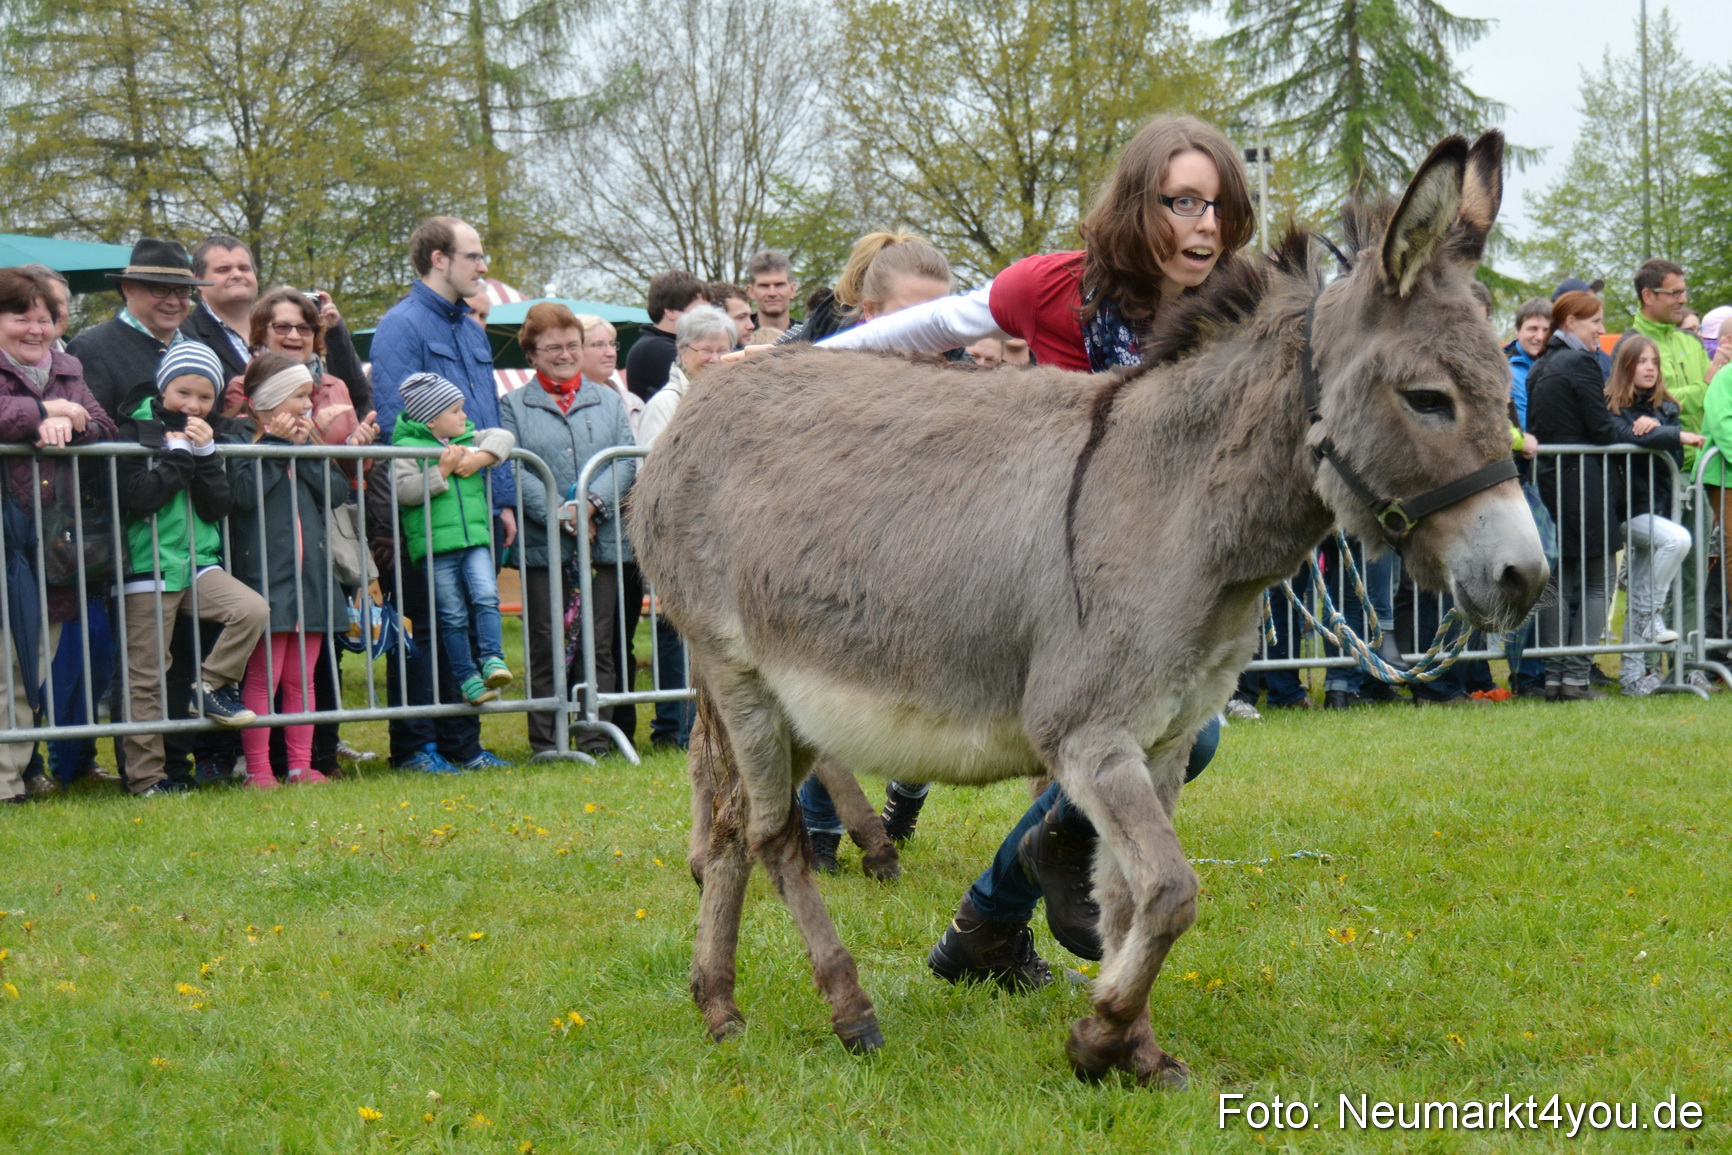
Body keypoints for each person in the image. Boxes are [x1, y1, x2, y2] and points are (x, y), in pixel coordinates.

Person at [819, 114, 1249, 987]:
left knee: (1186, 737)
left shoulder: (1240, 303)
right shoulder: (1052, 287)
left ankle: (990, 916)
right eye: (1184, 203)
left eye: (1220, 206)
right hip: (1045, 557)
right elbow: (923, 327)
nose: (1206, 225)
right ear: (1138, 204)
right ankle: (1002, 905)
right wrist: (787, 371)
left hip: (1160, 568)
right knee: (1139, 738)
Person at [367, 216, 516, 774]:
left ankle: (463, 744)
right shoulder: (400, 326)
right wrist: (445, 472)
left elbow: (487, 417)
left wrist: (501, 498)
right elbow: (396, 425)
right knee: (427, 625)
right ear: (438, 258)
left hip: (475, 504)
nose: (483, 266)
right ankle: (416, 746)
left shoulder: (471, 328)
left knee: (469, 624)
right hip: (423, 507)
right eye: (474, 256)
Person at [114, 343, 269, 795]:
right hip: (148, 566)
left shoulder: (206, 436)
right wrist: (179, 456)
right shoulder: (134, 429)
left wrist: (204, 456)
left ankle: (211, 685)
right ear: (163, 388)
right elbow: (140, 498)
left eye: (205, 397)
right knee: (147, 676)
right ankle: (147, 778)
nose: (194, 406)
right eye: (184, 393)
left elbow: (218, 506)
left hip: (199, 562)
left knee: (251, 609)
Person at [0, 267, 117, 802]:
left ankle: (11, 778)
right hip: (6, 534)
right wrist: (44, 411)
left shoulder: (68, 368)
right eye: (19, 316)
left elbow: (104, 425)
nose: (35, 329)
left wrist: (74, 420)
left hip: (49, 542)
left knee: (30, 666)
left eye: (43, 318)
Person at [501, 303, 637, 758]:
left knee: (600, 644)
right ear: (531, 354)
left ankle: (596, 736)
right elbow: (515, 469)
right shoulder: (513, 407)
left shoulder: (609, 400)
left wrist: (592, 506)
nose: (565, 355)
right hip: (545, 545)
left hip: (604, 542)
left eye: (572, 345)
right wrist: (560, 514)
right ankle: (548, 738)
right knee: (546, 641)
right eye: (553, 348)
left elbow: (625, 459)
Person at [226, 353, 350, 788]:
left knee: (302, 679)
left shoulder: (305, 441)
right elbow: (243, 495)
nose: (307, 405)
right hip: (265, 579)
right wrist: (274, 448)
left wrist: (304, 449)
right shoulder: (239, 441)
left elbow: (336, 491)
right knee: (264, 677)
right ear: (270, 400)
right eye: (299, 396)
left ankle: (301, 766)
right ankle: (258, 769)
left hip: (310, 580)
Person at [638, 306, 739, 750]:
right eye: (706, 350)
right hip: (680, 537)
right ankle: (675, 727)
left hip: (724, 538)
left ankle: (714, 723)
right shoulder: (666, 403)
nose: (715, 359)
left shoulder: (733, 399)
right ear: (682, 351)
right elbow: (650, 473)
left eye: (723, 349)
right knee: (677, 630)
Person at [392, 373, 516, 707]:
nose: (464, 416)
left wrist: (480, 458)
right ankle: (467, 678)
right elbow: (404, 491)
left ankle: (492, 659)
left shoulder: (469, 438)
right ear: (431, 419)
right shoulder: (405, 449)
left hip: (474, 539)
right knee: (452, 615)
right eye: (455, 410)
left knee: (487, 596)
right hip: (435, 548)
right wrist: (441, 472)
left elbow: (504, 436)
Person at [1526, 291, 1622, 702]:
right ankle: (1576, 678)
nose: (1601, 329)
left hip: (1551, 482)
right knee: (1599, 582)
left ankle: (1554, 678)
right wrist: (1658, 433)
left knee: (1558, 584)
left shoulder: (1540, 364)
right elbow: (1602, 430)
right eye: (1594, 321)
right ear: (1570, 323)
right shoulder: (1580, 362)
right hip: (1583, 484)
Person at [1604, 335, 1701, 695]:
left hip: (1660, 506)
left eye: (1654, 362)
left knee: (1642, 587)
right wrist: (1673, 435)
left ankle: (1633, 676)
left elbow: (1672, 458)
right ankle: (1651, 615)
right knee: (1678, 540)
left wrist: (1660, 430)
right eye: (1642, 361)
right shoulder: (1611, 405)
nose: (1649, 368)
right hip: (1627, 509)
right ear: (1626, 366)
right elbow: (1624, 436)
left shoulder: (1667, 408)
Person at [66, 239, 208, 425]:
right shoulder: (91, 349)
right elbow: (90, 431)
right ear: (128, 289)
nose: (173, 301)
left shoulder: (198, 350)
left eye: (182, 291)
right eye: (160, 289)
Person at [1628, 260, 1712, 474]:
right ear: (1648, 296)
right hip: (1662, 472)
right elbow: (1652, 405)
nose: (1684, 300)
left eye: (1683, 292)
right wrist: (1704, 387)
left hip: (1707, 466)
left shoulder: (1692, 341)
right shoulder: (1629, 346)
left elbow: (1716, 397)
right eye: (1675, 293)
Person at [623, 271, 708, 403]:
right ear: (671, 311)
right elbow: (703, 391)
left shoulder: (654, 345)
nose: (707, 317)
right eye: (700, 310)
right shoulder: (656, 349)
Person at [1505, 298, 1551, 432]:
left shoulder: (1557, 365)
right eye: (1532, 329)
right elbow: (1524, 426)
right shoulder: (1509, 373)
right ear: (1517, 331)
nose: (1540, 337)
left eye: (1546, 330)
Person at [747, 250, 797, 332]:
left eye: (779, 285)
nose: (772, 293)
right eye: (764, 286)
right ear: (751, 291)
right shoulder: (736, 338)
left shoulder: (811, 336)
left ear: (792, 290)